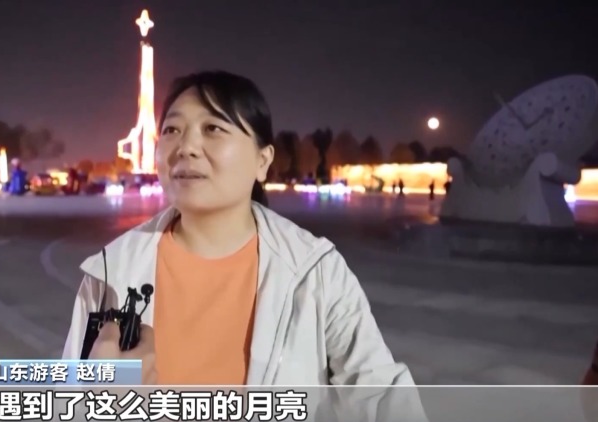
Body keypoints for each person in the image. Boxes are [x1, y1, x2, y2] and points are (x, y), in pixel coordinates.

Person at [62, 71, 426, 418]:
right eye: (172, 130)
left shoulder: (316, 271)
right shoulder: (111, 271)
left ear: (262, 161)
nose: (186, 147)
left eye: (213, 128)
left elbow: (380, 395)